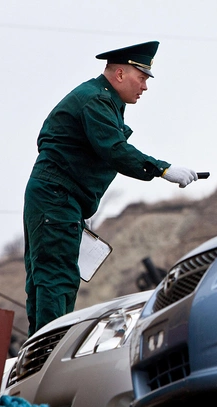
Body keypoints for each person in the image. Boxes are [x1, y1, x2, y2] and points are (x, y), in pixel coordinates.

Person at [23, 40, 198, 336]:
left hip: (57, 197)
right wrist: (162, 169)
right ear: (119, 74)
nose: (144, 87)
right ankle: (48, 353)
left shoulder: (98, 99)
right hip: (57, 197)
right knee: (57, 279)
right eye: (141, 78)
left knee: (46, 278)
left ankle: (40, 350)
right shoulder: (97, 101)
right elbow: (115, 150)